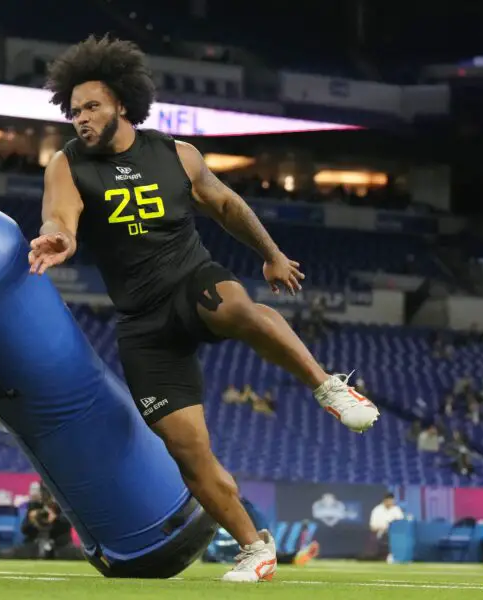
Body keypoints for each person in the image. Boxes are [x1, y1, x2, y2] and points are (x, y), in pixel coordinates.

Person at [29, 34, 380, 583]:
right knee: (188, 451)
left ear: (122, 102)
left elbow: (225, 205)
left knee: (229, 302)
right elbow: (61, 217)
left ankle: (327, 386)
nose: (81, 118)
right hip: (143, 324)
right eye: (74, 111)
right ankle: (254, 548)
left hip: (191, 281)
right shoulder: (67, 165)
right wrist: (57, 239)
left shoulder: (175, 153)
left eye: (91, 106)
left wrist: (271, 255)